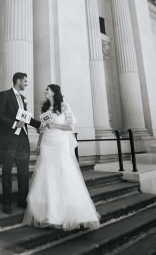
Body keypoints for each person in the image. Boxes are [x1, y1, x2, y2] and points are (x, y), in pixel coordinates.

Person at [22, 84, 100, 230]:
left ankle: (65, 210)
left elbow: (70, 127)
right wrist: (39, 143)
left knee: (63, 173)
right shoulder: (45, 109)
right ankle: (47, 210)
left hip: (60, 144)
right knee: (46, 174)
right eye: (45, 89)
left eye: (47, 90)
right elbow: (43, 129)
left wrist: (54, 126)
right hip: (47, 143)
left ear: (54, 92)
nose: (45, 91)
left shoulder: (64, 106)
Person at [0, 72, 42, 214]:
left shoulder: (24, 98)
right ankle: (6, 203)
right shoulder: (4, 95)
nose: (26, 83)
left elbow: (26, 119)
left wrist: (42, 124)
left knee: (24, 172)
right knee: (7, 171)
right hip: (8, 140)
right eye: (25, 81)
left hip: (22, 140)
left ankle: (22, 200)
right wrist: (14, 124)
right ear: (18, 81)